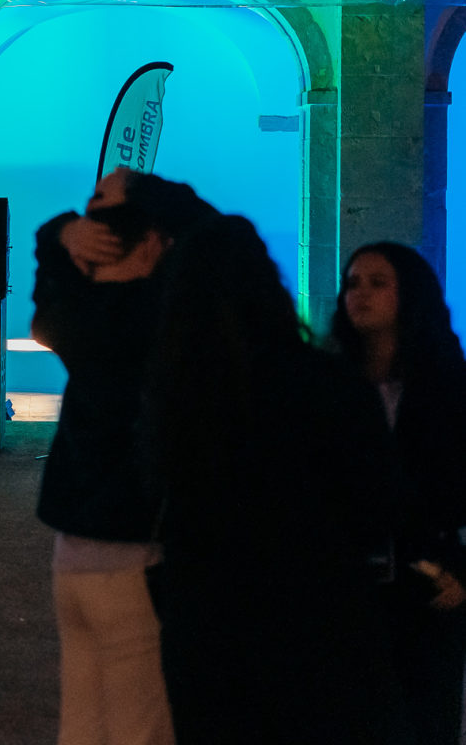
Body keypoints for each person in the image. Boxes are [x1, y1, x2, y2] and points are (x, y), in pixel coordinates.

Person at [147, 216, 404, 744]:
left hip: (207, 620)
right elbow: (377, 501)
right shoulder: (332, 383)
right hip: (319, 616)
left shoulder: (178, 398)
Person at [31, 167, 213, 745]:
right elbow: (213, 233)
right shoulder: (168, 323)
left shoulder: (77, 317)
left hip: (73, 548)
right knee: (141, 726)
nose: (89, 206)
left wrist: (59, 234)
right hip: (135, 554)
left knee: (81, 723)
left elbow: (48, 291)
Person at [331, 242, 466, 745]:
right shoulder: (326, 387)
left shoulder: (450, 386)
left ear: (410, 294)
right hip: (344, 589)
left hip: (428, 585)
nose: (360, 294)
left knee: (424, 721)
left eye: (377, 283)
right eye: (352, 283)